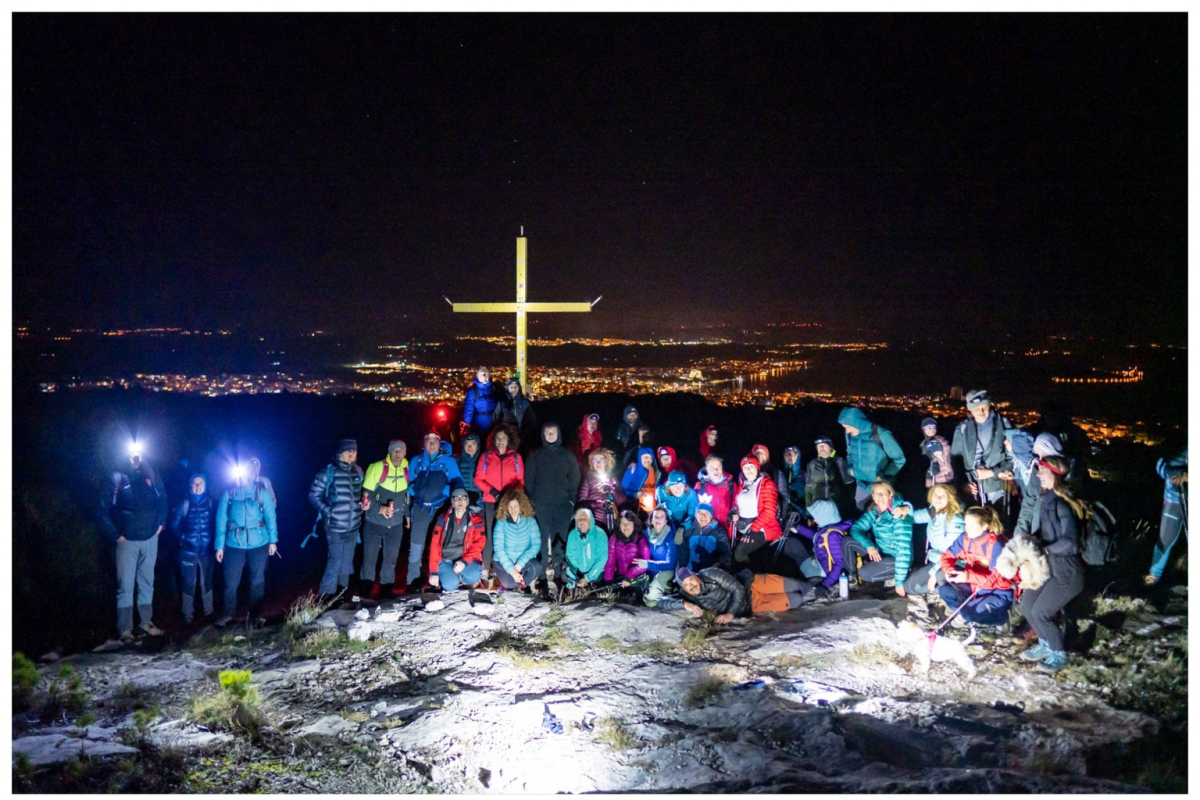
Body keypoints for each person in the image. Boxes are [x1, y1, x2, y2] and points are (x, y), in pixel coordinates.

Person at [1018, 456, 1087, 673]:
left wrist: (1045, 549)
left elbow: (1071, 542)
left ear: (1055, 474)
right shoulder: (1047, 500)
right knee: (1026, 605)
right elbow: (1046, 533)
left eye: (1042, 471)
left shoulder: (1062, 504)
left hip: (1067, 572)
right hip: (1050, 568)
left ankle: (1059, 653)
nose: (1038, 474)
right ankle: (1046, 644)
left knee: (1040, 612)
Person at [96, 450, 168, 641]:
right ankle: (125, 629)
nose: (135, 457)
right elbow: (102, 510)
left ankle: (145, 623)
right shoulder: (117, 478)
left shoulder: (151, 473)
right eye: (131, 453)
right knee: (125, 585)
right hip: (126, 541)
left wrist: (161, 525)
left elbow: (163, 500)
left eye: (139, 453)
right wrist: (116, 535)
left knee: (146, 583)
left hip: (150, 538)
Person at [936, 506, 1015, 627]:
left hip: (997, 592)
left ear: (985, 526)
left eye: (972, 526)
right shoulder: (964, 539)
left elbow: (998, 579)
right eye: (966, 524)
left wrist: (968, 576)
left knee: (968, 613)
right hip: (974, 588)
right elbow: (947, 556)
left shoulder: (996, 545)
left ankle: (1002, 619)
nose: (968, 529)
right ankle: (965, 613)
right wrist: (949, 569)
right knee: (944, 591)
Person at [405, 431, 463, 592]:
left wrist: (450, 493)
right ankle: (413, 581)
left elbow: (457, 482)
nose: (431, 444)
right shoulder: (416, 461)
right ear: (423, 444)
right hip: (420, 508)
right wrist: (412, 491)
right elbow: (408, 484)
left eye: (435, 441)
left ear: (440, 443)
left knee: (438, 545)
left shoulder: (448, 462)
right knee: (416, 545)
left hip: (440, 509)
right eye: (428, 441)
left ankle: (435, 579)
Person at [308, 438, 363, 602]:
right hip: (335, 526)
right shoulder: (328, 471)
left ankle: (341, 596)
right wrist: (328, 510)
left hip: (353, 526)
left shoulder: (358, 471)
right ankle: (324, 599)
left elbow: (362, 495)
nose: (351, 455)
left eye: (354, 452)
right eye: (348, 451)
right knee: (335, 562)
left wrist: (364, 504)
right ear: (340, 454)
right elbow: (313, 495)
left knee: (347, 563)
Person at [525, 422, 581, 581]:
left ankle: (558, 573)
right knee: (541, 538)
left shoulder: (567, 455)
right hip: (541, 505)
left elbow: (574, 480)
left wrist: (571, 501)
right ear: (543, 434)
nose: (550, 435)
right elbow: (529, 480)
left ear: (558, 434)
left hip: (562, 505)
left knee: (560, 539)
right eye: (547, 432)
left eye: (553, 432)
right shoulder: (535, 455)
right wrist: (532, 501)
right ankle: (542, 574)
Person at [893, 483, 966, 595]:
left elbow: (952, 552)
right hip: (936, 560)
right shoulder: (934, 512)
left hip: (952, 563)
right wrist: (906, 508)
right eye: (935, 494)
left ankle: (953, 591)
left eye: (943, 496)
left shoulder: (955, 518)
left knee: (919, 586)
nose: (938, 498)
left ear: (950, 499)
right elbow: (913, 517)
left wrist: (933, 575)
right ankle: (941, 588)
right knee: (911, 586)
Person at [844, 481, 914, 596]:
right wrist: (869, 546)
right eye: (877, 493)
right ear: (872, 496)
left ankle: (898, 575)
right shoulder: (874, 511)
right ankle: (852, 578)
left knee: (865, 573)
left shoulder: (900, 514)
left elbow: (903, 552)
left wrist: (899, 583)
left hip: (896, 558)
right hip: (880, 551)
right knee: (847, 542)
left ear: (890, 494)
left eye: (883, 493)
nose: (880, 496)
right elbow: (856, 528)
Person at [359, 440, 410, 598]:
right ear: (389, 452)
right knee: (369, 558)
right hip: (374, 522)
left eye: (400, 450)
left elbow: (406, 496)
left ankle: (386, 593)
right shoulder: (377, 467)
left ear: (404, 453)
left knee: (390, 560)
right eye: (394, 450)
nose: (397, 453)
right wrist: (380, 508)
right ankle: (365, 593)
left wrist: (407, 514)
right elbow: (366, 495)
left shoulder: (407, 470)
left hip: (395, 525)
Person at [475, 424, 525, 580]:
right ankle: (485, 567)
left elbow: (520, 481)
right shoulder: (486, 457)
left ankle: (504, 567)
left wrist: (512, 495)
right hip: (491, 500)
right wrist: (493, 491)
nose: (500, 441)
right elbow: (478, 479)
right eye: (497, 438)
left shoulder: (516, 457)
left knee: (508, 534)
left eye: (503, 438)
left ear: (509, 439)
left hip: (509, 502)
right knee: (491, 534)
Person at [950, 390, 1014, 508]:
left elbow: (1014, 458)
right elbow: (956, 460)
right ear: (970, 410)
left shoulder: (1004, 424)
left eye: (984, 407)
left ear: (989, 405)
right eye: (976, 408)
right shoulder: (962, 428)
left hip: (998, 489)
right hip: (971, 490)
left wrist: (992, 472)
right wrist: (964, 484)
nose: (981, 411)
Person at [838, 408, 907, 510]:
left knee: (883, 517)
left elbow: (899, 459)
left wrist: (883, 476)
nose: (847, 430)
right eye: (845, 427)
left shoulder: (880, 433)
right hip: (862, 486)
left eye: (848, 427)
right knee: (862, 516)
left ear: (858, 423)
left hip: (881, 488)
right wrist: (850, 470)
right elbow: (850, 453)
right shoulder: (849, 434)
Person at [171, 473, 216, 626]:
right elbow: (174, 525)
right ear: (190, 486)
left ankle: (208, 614)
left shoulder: (211, 503)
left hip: (207, 551)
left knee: (207, 582)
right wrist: (182, 539)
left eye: (201, 483)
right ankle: (187, 615)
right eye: (195, 484)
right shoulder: (184, 503)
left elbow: (218, 524)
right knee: (189, 583)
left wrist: (214, 543)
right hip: (188, 552)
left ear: (205, 485)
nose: (198, 486)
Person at [729, 456, 785, 571]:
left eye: (751, 466)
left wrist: (753, 530)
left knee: (740, 553)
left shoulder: (767, 483)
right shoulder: (743, 485)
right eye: (745, 467)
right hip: (744, 527)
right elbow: (738, 506)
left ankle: (751, 581)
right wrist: (733, 514)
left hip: (761, 528)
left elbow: (769, 512)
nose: (748, 470)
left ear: (757, 468)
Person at [428, 488, 486, 592]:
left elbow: (479, 543)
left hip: (464, 557)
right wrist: (433, 572)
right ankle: (452, 577)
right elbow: (434, 545)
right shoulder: (443, 519)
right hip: (446, 559)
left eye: (463, 498)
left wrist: (464, 562)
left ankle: (462, 576)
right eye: (456, 498)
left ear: (467, 501)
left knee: (474, 575)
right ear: (452, 502)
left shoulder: (475, 520)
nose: (460, 501)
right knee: (450, 585)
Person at [1146, 448, 1188, 586]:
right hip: (1173, 500)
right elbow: (1160, 465)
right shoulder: (1176, 443)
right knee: (1165, 539)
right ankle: (1153, 576)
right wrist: (1175, 473)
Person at [491, 489, 545, 593]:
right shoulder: (501, 522)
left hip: (522, 561)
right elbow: (498, 548)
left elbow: (536, 545)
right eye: (510, 507)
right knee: (510, 584)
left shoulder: (531, 521)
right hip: (503, 561)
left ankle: (523, 585)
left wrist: (519, 564)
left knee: (537, 566)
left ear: (521, 506)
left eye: (516, 506)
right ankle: (505, 581)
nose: (513, 509)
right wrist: (512, 570)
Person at [794, 500, 854, 592]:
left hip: (825, 575)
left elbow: (840, 563)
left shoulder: (832, 535)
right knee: (794, 546)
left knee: (793, 547)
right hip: (822, 567)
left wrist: (825, 585)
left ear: (825, 516)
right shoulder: (831, 528)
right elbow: (816, 536)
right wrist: (798, 528)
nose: (814, 520)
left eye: (817, 517)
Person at [659, 567, 748, 624]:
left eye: (691, 580)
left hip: (751, 594)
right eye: (685, 585)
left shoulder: (711, 574)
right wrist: (684, 604)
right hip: (744, 612)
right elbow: (661, 601)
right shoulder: (686, 594)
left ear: (696, 577)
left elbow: (738, 588)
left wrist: (730, 614)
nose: (690, 586)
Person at [604, 510, 651, 596]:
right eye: (622, 523)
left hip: (636, 577)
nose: (626, 526)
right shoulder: (614, 539)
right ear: (619, 526)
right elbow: (610, 561)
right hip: (621, 577)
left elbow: (645, 563)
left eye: (629, 522)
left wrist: (629, 576)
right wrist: (608, 580)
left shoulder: (641, 539)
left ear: (634, 524)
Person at [805, 437, 854, 516]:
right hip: (819, 510)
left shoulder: (840, 461)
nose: (821, 448)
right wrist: (809, 514)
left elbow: (850, 487)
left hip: (838, 509)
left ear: (830, 446)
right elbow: (808, 490)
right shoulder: (811, 464)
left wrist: (847, 508)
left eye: (824, 445)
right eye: (819, 446)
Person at [578, 448, 624, 532]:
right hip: (595, 519)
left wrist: (612, 490)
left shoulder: (612, 479)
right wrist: (599, 504)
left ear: (606, 462)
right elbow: (582, 502)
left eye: (601, 460)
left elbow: (621, 501)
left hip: (611, 519)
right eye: (595, 461)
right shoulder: (588, 478)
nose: (598, 463)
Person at [563, 507, 608, 593]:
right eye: (579, 519)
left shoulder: (600, 534)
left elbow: (602, 558)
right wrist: (575, 577)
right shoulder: (572, 535)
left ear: (590, 520)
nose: (581, 521)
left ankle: (592, 589)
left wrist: (588, 578)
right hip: (579, 572)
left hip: (595, 572)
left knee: (598, 579)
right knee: (564, 574)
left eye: (584, 518)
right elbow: (571, 556)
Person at [641, 506, 679, 607]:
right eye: (656, 517)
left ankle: (668, 592)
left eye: (662, 517)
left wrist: (647, 564)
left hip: (666, 571)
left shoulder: (671, 537)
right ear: (651, 520)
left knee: (650, 599)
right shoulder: (645, 535)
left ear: (666, 521)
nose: (658, 519)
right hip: (651, 570)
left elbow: (670, 564)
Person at [678, 504, 732, 573]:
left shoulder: (718, 532)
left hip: (711, 573)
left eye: (707, 513)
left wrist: (722, 570)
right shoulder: (688, 532)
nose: (703, 516)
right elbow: (682, 554)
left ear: (711, 516)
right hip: (691, 572)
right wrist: (683, 572)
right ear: (696, 515)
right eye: (700, 513)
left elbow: (725, 553)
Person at [750, 444, 791, 524]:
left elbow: (784, 496)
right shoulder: (747, 472)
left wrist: (783, 517)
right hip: (752, 517)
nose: (759, 455)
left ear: (767, 456)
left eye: (762, 453)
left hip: (772, 517)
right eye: (757, 453)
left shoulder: (776, 473)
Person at [694, 455, 735, 533]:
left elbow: (736, 504)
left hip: (727, 528)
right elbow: (694, 507)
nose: (716, 470)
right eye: (712, 468)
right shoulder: (700, 486)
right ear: (707, 469)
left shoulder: (730, 484)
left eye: (718, 467)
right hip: (708, 529)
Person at [461, 365, 504, 437]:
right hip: (480, 426)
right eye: (482, 373)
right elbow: (469, 409)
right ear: (477, 375)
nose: (484, 375)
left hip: (496, 424)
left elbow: (503, 403)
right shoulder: (473, 390)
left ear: (489, 374)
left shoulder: (496, 388)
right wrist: (466, 425)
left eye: (486, 373)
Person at [499, 376, 538, 447]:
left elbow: (531, 420)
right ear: (507, 388)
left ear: (519, 388)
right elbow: (496, 419)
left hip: (522, 436)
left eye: (515, 387)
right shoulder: (502, 402)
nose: (513, 389)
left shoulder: (524, 403)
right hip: (506, 436)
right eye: (511, 387)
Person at [621, 446, 659, 515]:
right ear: (640, 457)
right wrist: (635, 494)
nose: (647, 460)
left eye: (650, 457)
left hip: (651, 510)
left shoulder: (654, 471)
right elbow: (623, 489)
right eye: (645, 457)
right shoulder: (632, 469)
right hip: (636, 509)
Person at [920, 418, 954, 487]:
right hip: (944, 477)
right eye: (926, 428)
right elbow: (941, 459)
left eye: (932, 426)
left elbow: (943, 459)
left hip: (945, 476)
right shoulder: (935, 441)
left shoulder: (936, 440)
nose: (929, 429)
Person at [456, 434, 483, 506]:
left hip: (479, 502)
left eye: (473, 443)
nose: (470, 446)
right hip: (462, 501)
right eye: (467, 443)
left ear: (478, 446)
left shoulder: (483, 460)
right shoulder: (458, 460)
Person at [782, 446, 806, 517]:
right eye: (787, 454)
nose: (790, 456)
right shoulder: (780, 475)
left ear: (798, 455)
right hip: (785, 516)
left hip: (802, 516)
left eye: (793, 454)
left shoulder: (805, 475)